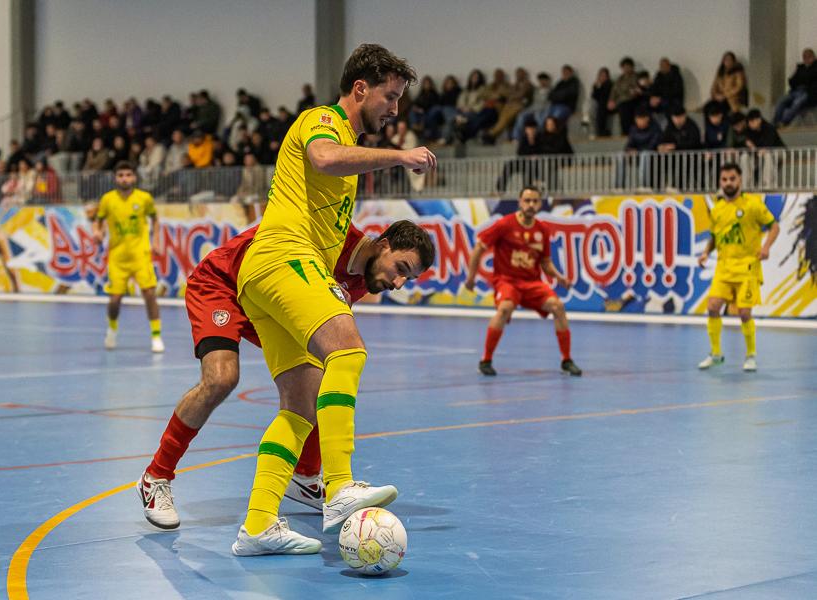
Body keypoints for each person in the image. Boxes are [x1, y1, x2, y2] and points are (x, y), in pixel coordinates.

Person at [231, 43, 436, 556]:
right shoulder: (323, 121)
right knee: (348, 350)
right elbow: (323, 157)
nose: (395, 110)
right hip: (283, 256)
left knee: (299, 409)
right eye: (390, 96)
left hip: (266, 274)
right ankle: (340, 486)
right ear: (360, 89)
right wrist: (400, 156)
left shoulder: (347, 149)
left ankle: (257, 525)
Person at [137, 220, 433, 529]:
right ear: (383, 246)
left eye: (408, 278)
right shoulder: (331, 233)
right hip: (225, 283)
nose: (399, 283)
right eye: (400, 268)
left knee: (322, 377)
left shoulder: (362, 280)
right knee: (221, 378)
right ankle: (156, 476)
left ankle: (305, 477)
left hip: (267, 303)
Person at [464, 186, 582, 377]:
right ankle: (485, 360)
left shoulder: (542, 230)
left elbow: (545, 262)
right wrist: (471, 278)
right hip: (507, 281)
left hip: (531, 284)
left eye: (535, 201)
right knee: (504, 309)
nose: (531, 205)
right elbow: (479, 247)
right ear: (520, 202)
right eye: (527, 201)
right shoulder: (504, 224)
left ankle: (566, 360)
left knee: (558, 307)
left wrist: (559, 278)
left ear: (540, 204)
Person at [697, 162, 779, 372]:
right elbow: (715, 236)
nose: (728, 183)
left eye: (732, 179)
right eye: (724, 179)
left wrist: (766, 247)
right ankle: (716, 354)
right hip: (724, 268)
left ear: (740, 180)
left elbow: (774, 226)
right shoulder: (717, 209)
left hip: (747, 268)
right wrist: (706, 252)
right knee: (713, 307)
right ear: (720, 182)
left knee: (744, 313)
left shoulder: (752, 204)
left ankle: (750, 355)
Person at [91, 161, 164, 353]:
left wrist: (156, 241)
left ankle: (156, 336)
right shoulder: (107, 200)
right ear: (116, 178)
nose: (125, 178)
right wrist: (97, 232)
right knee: (115, 299)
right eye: (121, 175)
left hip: (141, 255)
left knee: (149, 294)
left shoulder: (144, 198)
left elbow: (155, 219)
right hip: (117, 258)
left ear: (134, 177)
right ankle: (112, 330)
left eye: (128, 175)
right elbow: (98, 221)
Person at [774, 48, 817, 127]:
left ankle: (784, 122)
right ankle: (776, 122)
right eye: (804, 57)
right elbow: (792, 80)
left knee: (797, 102)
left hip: (809, 92)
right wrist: (802, 80)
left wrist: (802, 80)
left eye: (809, 57)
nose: (806, 59)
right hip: (796, 91)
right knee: (781, 101)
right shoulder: (800, 68)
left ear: (814, 57)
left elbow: (810, 79)